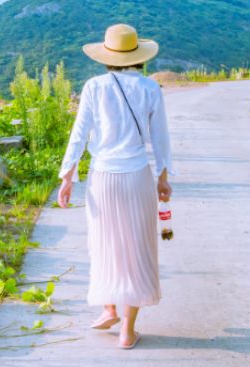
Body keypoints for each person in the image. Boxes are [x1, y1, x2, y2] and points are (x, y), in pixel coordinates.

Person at [57, 24, 173, 349]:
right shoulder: (150, 89)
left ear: (106, 56)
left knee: (103, 243)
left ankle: (108, 307)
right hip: (136, 175)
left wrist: (67, 175)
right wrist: (163, 178)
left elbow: (79, 133)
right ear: (138, 57)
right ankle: (127, 330)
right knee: (136, 247)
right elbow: (161, 138)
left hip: (103, 177)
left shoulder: (94, 87)